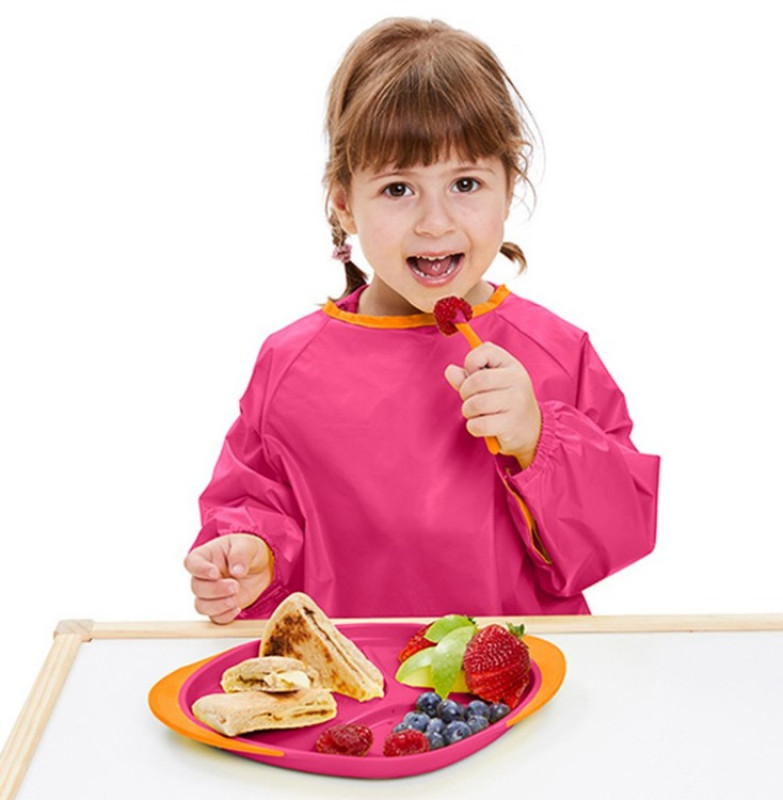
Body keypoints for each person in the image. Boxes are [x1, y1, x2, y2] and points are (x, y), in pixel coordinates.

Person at [184, 17, 659, 624]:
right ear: (343, 204)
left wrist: (538, 439)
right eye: (397, 189)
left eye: (466, 183)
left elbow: (620, 533)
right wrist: (251, 556)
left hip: (522, 668)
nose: (435, 222)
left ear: (509, 189)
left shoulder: (556, 352)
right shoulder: (289, 364)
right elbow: (255, 500)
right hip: (350, 676)